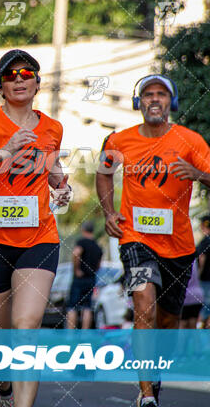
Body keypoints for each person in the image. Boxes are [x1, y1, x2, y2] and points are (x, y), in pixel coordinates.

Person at [0, 49, 71, 407]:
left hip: (39, 238)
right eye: (10, 75)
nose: (19, 80)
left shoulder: (52, 127)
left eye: (27, 74)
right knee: (0, 336)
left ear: (37, 83)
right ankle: (4, 391)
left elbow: (53, 174)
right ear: (0, 86)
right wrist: (3, 150)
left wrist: (63, 188)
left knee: (26, 327)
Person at [96, 74, 210, 407]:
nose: (154, 99)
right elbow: (103, 174)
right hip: (135, 239)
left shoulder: (191, 141)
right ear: (139, 103)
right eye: (148, 95)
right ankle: (147, 395)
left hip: (178, 245)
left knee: (167, 322)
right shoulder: (118, 141)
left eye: (161, 94)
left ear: (170, 103)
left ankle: (155, 372)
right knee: (144, 306)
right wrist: (108, 212)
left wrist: (199, 175)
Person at [65, 221, 102, 329]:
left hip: (79, 279)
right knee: (87, 307)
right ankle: (85, 333)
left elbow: (76, 253)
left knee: (72, 306)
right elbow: (99, 263)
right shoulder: (97, 245)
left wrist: (76, 270)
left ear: (83, 230)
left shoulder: (81, 242)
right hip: (91, 278)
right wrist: (93, 271)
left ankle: (70, 334)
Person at [180, 259, 203, 329]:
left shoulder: (179, 260)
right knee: (193, 326)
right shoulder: (195, 258)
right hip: (198, 295)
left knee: (182, 325)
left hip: (185, 297)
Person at [197, 213, 210, 328]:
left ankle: (201, 327)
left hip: (206, 278)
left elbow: (202, 257)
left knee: (206, 304)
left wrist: (198, 274)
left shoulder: (206, 241)